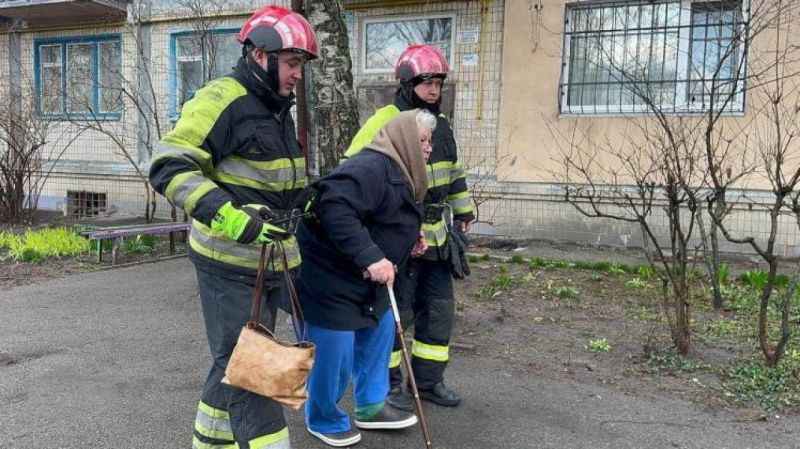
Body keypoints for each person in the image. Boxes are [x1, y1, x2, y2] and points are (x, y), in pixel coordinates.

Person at [148, 6, 317, 449]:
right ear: (261, 55)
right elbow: (169, 165)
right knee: (253, 370)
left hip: (267, 262)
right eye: (293, 62)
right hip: (230, 261)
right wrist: (230, 217)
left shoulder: (276, 108)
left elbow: (272, 181)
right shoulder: (223, 98)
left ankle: (210, 442)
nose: (298, 74)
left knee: (233, 362)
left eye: (301, 65)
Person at [343, 44, 475, 411]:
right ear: (406, 83)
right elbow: (354, 167)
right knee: (393, 313)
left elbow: (455, 173)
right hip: (398, 236)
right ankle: (385, 387)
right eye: (425, 82)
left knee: (438, 310)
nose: (433, 90)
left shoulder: (442, 125)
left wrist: (464, 213)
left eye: (438, 83)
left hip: (437, 236)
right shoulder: (386, 118)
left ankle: (430, 382)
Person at [296, 109, 437, 447]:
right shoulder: (370, 167)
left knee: (379, 333)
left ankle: (371, 407)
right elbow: (333, 207)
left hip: (367, 280)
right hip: (330, 277)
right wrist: (371, 255)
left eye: (430, 141)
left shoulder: (401, 169)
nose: (429, 148)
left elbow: (386, 215)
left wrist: (409, 239)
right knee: (335, 352)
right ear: (404, 141)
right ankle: (323, 418)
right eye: (422, 141)